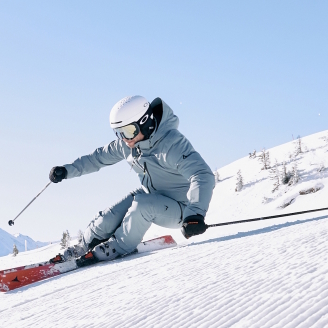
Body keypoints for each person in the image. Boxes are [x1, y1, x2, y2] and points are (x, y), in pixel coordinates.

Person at [49, 95, 214, 266]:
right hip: (151, 194)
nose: (125, 139)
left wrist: (195, 213)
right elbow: (97, 158)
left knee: (142, 205)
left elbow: (202, 174)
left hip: (181, 207)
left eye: (129, 131)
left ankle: (118, 246)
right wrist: (67, 170)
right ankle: (83, 246)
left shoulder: (172, 144)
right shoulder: (129, 144)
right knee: (109, 216)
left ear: (145, 122)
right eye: (120, 133)